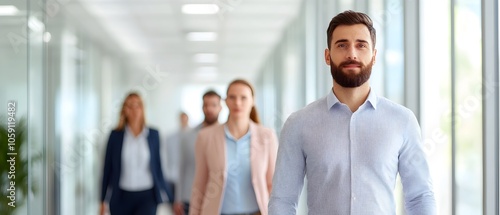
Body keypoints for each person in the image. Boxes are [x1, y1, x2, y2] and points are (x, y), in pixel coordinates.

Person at [268, 10, 436, 215]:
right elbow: (283, 201)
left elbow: (420, 197)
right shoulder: (298, 124)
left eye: (361, 45)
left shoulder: (402, 121)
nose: (352, 54)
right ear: (327, 56)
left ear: (374, 56)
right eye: (342, 45)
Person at [190, 79, 278, 215]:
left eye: (243, 98)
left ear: (252, 101)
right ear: (225, 101)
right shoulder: (205, 137)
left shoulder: (267, 136)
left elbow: (273, 185)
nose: (237, 102)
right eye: (232, 97)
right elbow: (199, 184)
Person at [100, 92, 173, 215]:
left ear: (142, 109)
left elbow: (158, 168)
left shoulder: (153, 135)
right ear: (124, 110)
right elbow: (107, 169)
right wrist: (102, 200)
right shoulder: (115, 136)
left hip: (147, 197)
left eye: (137, 105)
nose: (134, 110)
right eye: (130, 106)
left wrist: (171, 198)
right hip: (121, 197)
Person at [172, 90, 223, 215]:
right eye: (206, 105)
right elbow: (182, 166)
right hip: (191, 196)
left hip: (219, 197)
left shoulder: (226, 136)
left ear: (220, 107)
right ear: (202, 107)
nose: (209, 109)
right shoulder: (189, 136)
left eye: (214, 105)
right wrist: (178, 198)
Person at [162, 111, 190, 204]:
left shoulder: (195, 136)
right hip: (173, 176)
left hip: (188, 177)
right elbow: (166, 157)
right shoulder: (170, 137)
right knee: (174, 204)